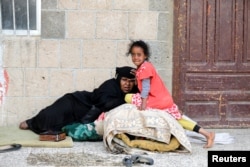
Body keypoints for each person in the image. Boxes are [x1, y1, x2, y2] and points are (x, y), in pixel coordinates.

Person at [125, 40, 215, 148]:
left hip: (156, 100)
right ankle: (207, 134)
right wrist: (138, 74)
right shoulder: (146, 66)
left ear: (145, 55)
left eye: (139, 55)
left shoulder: (144, 69)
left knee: (128, 97)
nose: (136, 57)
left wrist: (144, 104)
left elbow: (145, 88)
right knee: (178, 119)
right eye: (133, 54)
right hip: (165, 100)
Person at [19, 66, 138, 134]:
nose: (128, 84)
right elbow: (105, 103)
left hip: (82, 115)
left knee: (57, 127)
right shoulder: (110, 85)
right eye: (124, 80)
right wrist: (125, 99)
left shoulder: (133, 93)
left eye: (131, 81)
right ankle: (31, 122)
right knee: (48, 116)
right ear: (119, 79)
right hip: (76, 102)